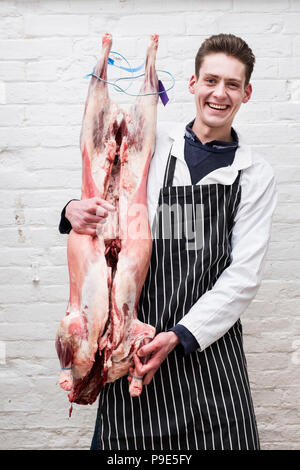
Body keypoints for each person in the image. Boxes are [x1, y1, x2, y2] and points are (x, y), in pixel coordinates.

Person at [59, 34, 277, 450]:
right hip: (134, 347)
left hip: (209, 355)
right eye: (211, 80)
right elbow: (106, 201)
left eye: (232, 84)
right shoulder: (154, 146)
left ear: (246, 93)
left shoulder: (256, 175)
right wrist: (70, 209)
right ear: (193, 84)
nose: (220, 93)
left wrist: (180, 334)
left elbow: (244, 276)